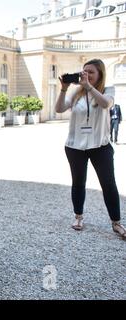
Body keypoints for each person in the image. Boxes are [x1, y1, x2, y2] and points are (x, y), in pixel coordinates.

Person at [55, 58, 126, 240]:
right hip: (75, 146)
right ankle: (78, 217)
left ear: (100, 74)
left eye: (91, 72)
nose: (85, 75)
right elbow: (59, 108)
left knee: (108, 184)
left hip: (100, 146)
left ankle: (116, 222)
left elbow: (105, 104)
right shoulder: (75, 93)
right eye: (84, 71)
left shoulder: (107, 91)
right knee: (78, 182)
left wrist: (89, 87)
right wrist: (63, 89)